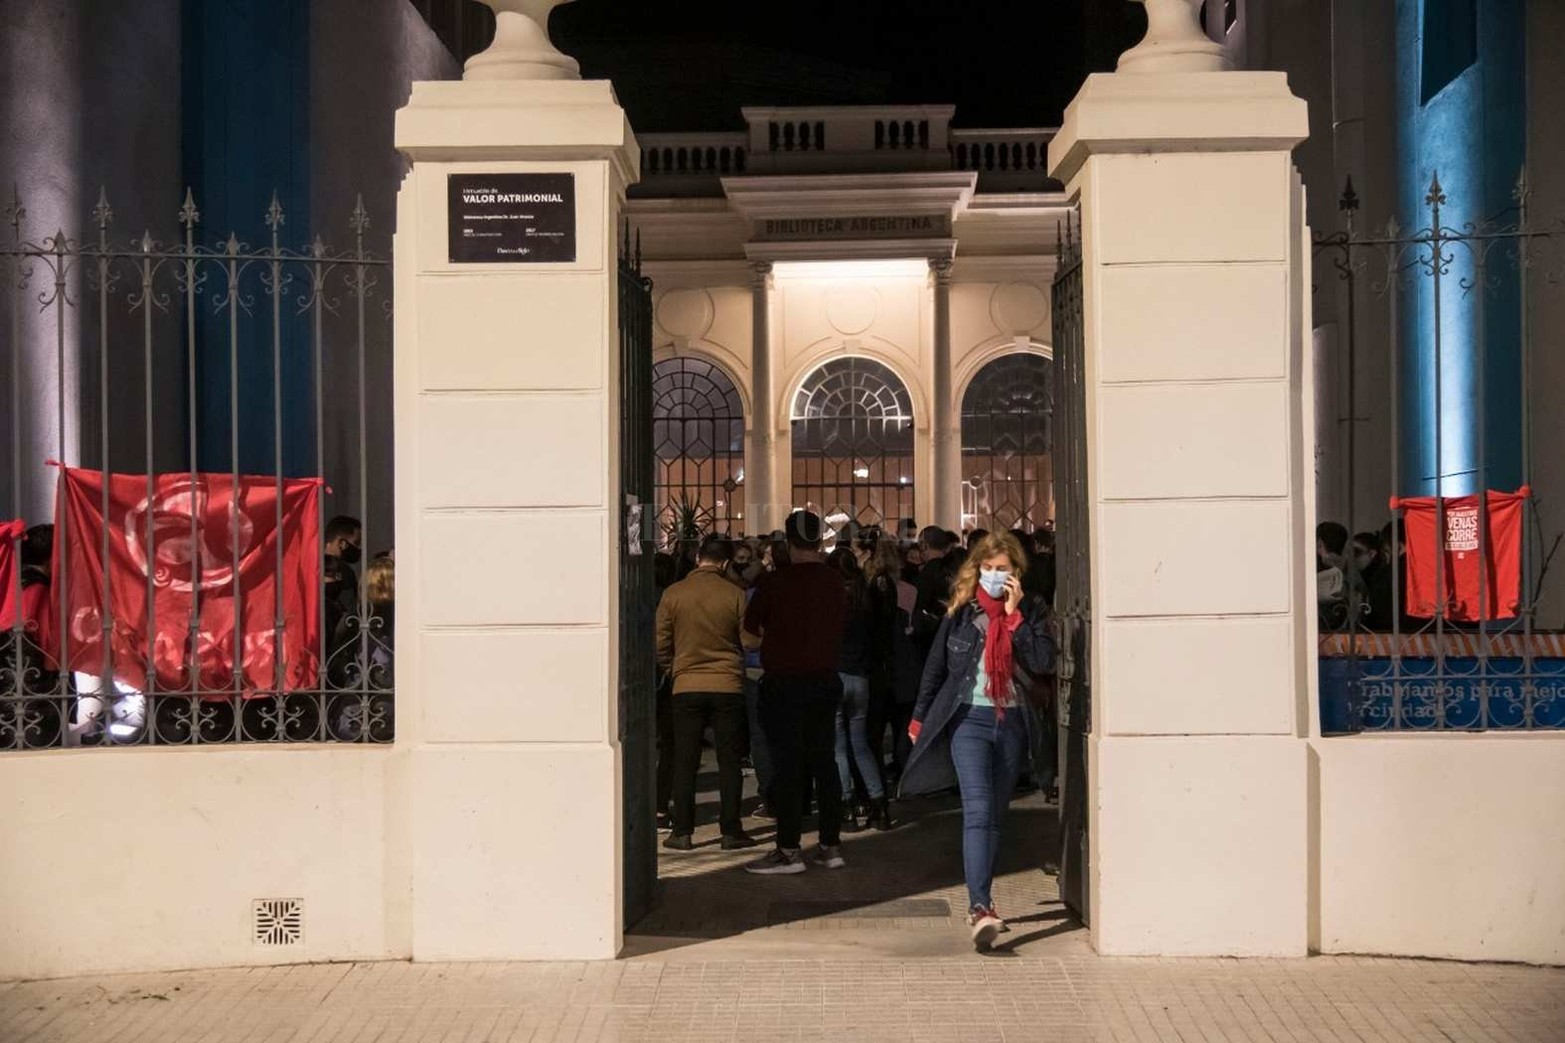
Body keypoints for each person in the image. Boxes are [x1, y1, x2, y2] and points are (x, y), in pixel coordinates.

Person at [901, 532, 1056, 950]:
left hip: (1012, 721)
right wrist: (919, 717)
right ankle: (980, 906)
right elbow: (937, 667)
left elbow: (1044, 662)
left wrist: (1015, 616)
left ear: (1016, 573)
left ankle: (983, 896)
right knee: (979, 809)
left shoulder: (1033, 610)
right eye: (986, 569)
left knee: (996, 815)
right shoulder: (963, 612)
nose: (992, 576)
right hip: (968, 719)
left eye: (1001, 569)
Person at [742, 510, 848, 874]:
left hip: (784, 682)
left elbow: (749, 634)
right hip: (825, 679)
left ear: (788, 543)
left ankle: (789, 849)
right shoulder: (835, 582)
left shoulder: (775, 584)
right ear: (820, 542)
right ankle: (831, 846)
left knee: (787, 764)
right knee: (825, 761)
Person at [655, 535, 758, 852]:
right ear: (726, 563)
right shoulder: (735, 594)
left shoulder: (674, 594)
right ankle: (731, 830)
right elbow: (750, 641)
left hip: (686, 686)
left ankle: (683, 831)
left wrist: (675, 669)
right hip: (727, 686)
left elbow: (660, 643)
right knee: (730, 761)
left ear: (698, 557)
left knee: (685, 760)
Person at [829, 545, 891, 832]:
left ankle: (847, 807)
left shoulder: (830, 602)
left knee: (839, 748)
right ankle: (879, 806)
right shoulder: (867, 600)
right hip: (862, 678)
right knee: (862, 745)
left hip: (836, 676)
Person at [328, 553, 395, 742]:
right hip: (392, 712)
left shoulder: (354, 617)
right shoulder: (402, 617)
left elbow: (337, 661)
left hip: (353, 712)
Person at [323, 515, 363, 648]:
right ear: (342, 543)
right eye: (356, 542)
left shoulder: (309, 564)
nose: (359, 548)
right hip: (336, 645)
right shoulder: (344, 571)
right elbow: (348, 612)